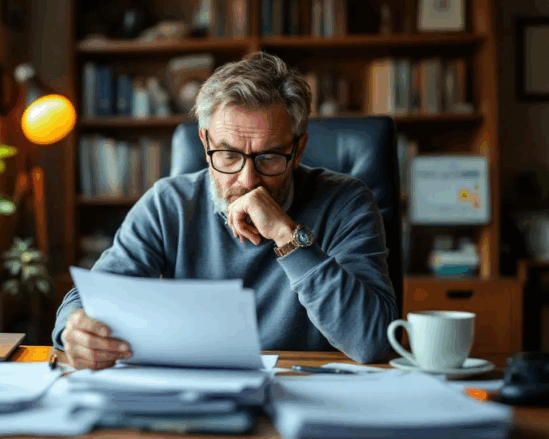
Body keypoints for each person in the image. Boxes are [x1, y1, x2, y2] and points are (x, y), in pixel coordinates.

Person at [53, 52, 398, 370]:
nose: (248, 180)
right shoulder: (168, 204)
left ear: (299, 148)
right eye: (229, 155)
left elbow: (372, 342)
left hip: (306, 388)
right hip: (196, 391)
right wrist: (75, 328)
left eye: (268, 157)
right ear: (205, 144)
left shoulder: (347, 201)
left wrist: (287, 236)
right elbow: (89, 297)